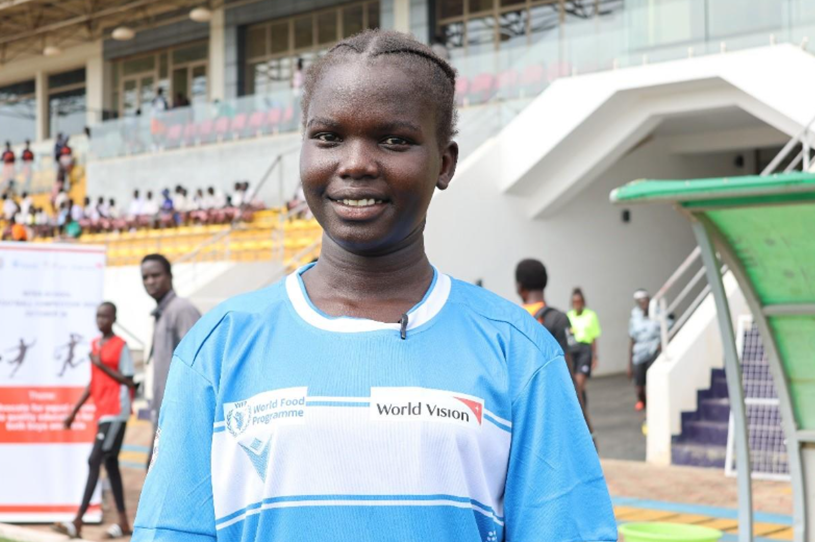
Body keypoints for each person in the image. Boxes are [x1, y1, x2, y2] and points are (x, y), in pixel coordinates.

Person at [133, 30, 616, 542]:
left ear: (445, 163)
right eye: (328, 137)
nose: (356, 163)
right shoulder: (219, 349)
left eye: (394, 140)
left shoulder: (518, 353)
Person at [55, 302, 134, 540]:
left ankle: (77, 521)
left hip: (116, 411)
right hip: (102, 412)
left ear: (114, 318)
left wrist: (101, 364)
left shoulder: (122, 346)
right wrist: (74, 412)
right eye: (98, 316)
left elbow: (129, 381)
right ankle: (123, 523)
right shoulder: (94, 346)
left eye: (106, 316)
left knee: (95, 459)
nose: (101, 320)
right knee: (109, 463)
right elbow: (93, 382)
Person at [138, 254, 200, 469]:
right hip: (163, 412)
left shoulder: (181, 310)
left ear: (170, 276)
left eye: (155, 275)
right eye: (145, 277)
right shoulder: (162, 313)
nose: (150, 282)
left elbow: (196, 362)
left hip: (178, 413)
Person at [567, 287, 601, 429]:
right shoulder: (568, 316)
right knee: (576, 385)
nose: (577, 304)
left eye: (579, 301)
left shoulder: (591, 315)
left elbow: (593, 337)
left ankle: (581, 414)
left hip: (585, 351)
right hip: (572, 351)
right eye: (575, 301)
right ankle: (582, 407)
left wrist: (595, 356)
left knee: (579, 383)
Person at [628, 288, 663, 411]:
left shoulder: (658, 313)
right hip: (639, 354)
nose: (643, 303)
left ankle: (653, 404)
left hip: (653, 351)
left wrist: (661, 345)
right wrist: (629, 363)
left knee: (652, 381)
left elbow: (667, 330)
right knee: (639, 385)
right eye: (639, 301)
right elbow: (632, 338)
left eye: (644, 300)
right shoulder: (635, 316)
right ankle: (642, 401)